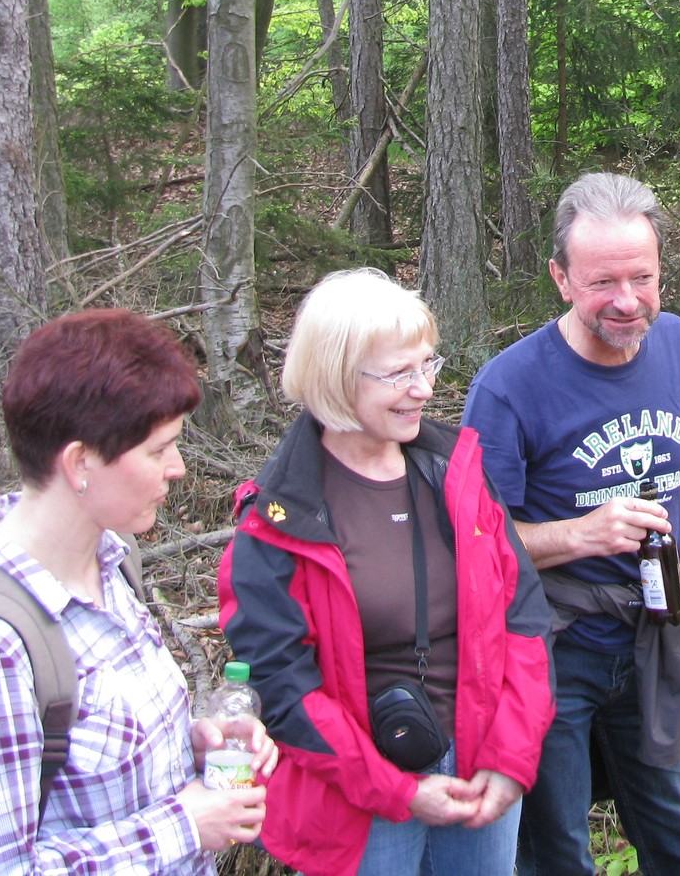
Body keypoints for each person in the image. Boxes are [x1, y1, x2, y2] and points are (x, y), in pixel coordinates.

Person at [0, 308, 276, 875]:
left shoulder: (111, 566)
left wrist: (195, 750)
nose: (177, 468)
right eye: (158, 450)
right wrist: (183, 826)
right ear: (80, 463)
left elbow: (96, 773)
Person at [462, 171, 680, 876]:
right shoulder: (509, 387)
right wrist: (578, 534)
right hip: (549, 652)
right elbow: (473, 542)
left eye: (642, 278)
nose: (627, 301)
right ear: (561, 279)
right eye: (602, 282)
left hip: (652, 636)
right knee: (558, 853)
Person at [218, 267, 555, 876]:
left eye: (428, 365)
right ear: (337, 376)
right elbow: (284, 687)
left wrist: (512, 758)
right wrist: (396, 790)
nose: (423, 389)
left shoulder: (457, 472)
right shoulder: (278, 519)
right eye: (399, 373)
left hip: (481, 769)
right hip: (358, 792)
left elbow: (524, 620)